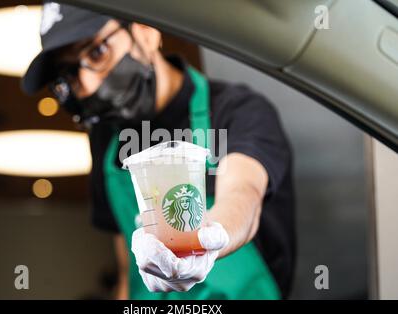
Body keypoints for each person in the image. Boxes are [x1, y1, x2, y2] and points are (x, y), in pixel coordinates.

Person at [22, 2, 295, 299]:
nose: (85, 85)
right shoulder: (105, 141)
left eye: (97, 52)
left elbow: (244, 195)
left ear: (146, 33)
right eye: (71, 74)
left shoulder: (237, 110)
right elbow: (127, 267)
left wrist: (207, 242)